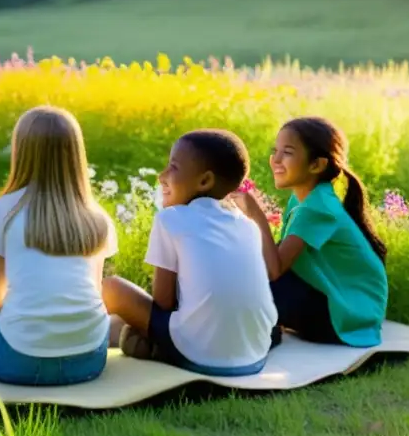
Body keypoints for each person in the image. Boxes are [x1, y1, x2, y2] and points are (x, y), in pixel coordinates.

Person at [0, 106, 117, 386]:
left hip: (18, 363)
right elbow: (95, 292)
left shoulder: (5, 210)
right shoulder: (97, 217)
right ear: (76, 155)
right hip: (88, 362)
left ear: (21, 152)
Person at [102, 129, 278, 376]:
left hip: (200, 355)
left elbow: (163, 302)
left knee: (111, 288)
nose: (162, 176)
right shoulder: (246, 226)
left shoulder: (170, 219)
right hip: (255, 353)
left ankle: (145, 346)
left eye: (173, 168)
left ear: (204, 181)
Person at [238, 116, 388, 347]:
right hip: (340, 303)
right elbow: (276, 257)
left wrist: (256, 215)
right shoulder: (305, 198)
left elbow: (273, 270)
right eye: (275, 150)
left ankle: (265, 334)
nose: (275, 159)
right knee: (246, 277)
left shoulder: (316, 207)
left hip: (346, 318)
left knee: (257, 285)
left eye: (287, 152)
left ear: (316, 165)